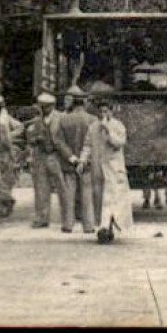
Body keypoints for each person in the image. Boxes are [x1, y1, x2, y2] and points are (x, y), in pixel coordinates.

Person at [83, 98, 133, 243]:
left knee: (113, 199)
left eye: (106, 111)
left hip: (114, 169)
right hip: (98, 168)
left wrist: (108, 130)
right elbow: (87, 145)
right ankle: (104, 227)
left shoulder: (118, 126)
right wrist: (82, 159)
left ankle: (107, 228)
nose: (103, 114)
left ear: (111, 111)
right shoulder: (93, 127)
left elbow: (119, 143)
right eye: (101, 111)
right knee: (100, 199)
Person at [52, 88, 97, 234]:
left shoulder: (63, 120)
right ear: (84, 102)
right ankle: (89, 225)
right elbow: (95, 143)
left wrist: (72, 158)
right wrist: (84, 159)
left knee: (68, 195)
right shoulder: (93, 120)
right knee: (87, 194)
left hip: (69, 163)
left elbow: (59, 142)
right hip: (87, 163)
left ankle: (68, 225)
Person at [24, 93, 66, 229]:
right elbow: (30, 138)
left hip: (57, 155)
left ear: (52, 106)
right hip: (41, 156)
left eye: (46, 107)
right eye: (42, 107)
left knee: (63, 187)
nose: (43, 110)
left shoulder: (61, 118)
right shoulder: (36, 121)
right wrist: (35, 139)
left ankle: (67, 216)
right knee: (41, 188)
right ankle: (42, 218)